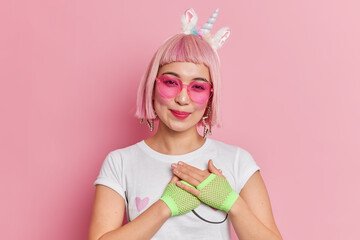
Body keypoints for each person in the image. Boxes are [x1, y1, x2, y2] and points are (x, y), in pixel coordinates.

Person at [88, 8, 282, 240]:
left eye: (197, 87)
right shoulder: (120, 163)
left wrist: (232, 202)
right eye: (171, 82)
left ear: (211, 96)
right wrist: (165, 206)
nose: (182, 98)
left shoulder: (238, 161)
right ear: (152, 87)